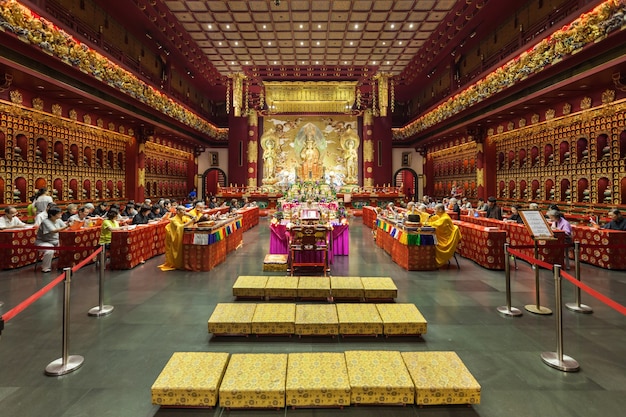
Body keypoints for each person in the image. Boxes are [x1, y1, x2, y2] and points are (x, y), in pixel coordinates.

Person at [159, 205, 200, 271]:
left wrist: (190, 216)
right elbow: (180, 227)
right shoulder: (173, 219)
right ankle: (176, 264)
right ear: (177, 211)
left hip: (180, 236)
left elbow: (195, 220)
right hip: (174, 237)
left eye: (185, 210)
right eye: (182, 210)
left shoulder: (184, 217)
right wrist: (191, 221)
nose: (184, 212)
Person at [427, 203, 462, 267]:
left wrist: (425, 223)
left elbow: (436, 224)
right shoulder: (441, 216)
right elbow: (433, 219)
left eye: (435, 209)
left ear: (440, 210)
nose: (434, 211)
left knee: (431, 241)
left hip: (446, 240)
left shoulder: (445, 218)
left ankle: (433, 262)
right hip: (442, 237)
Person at [35, 206, 68, 273]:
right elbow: (53, 230)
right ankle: (45, 268)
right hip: (43, 242)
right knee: (49, 250)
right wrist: (67, 226)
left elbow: (64, 227)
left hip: (55, 241)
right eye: (58, 213)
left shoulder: (58, 220)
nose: (60, 215)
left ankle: (64, 265)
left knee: (67, 246)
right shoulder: (45, 222)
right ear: (52, 215)